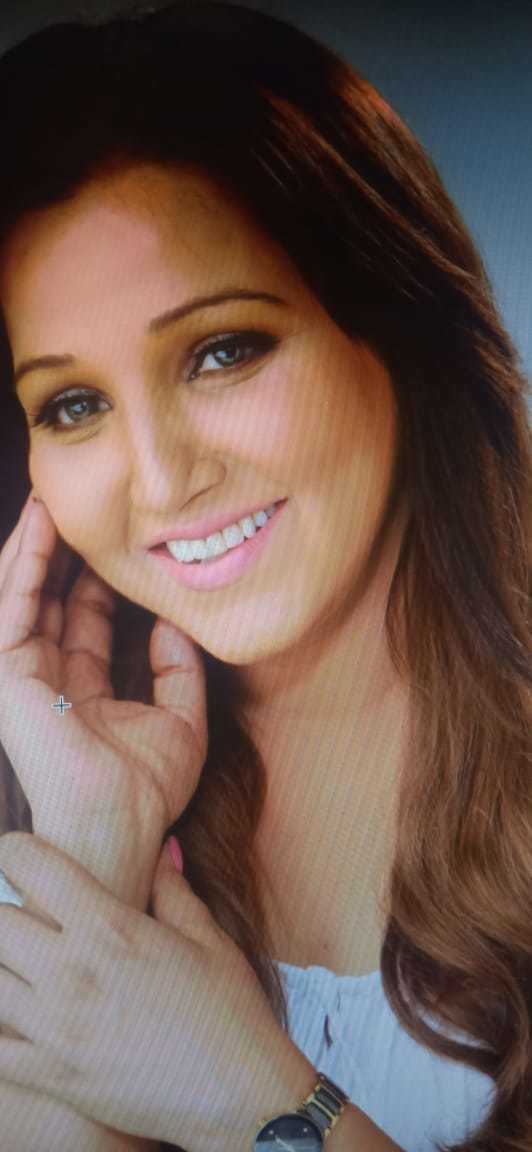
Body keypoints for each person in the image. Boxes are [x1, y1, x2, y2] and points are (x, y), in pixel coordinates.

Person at [0, 2, 530, 1150]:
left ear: (398, 330)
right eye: (73, 404)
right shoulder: (60, 804)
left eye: (223, 350)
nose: (162, 480)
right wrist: (93, 851)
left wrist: (253, 1099)